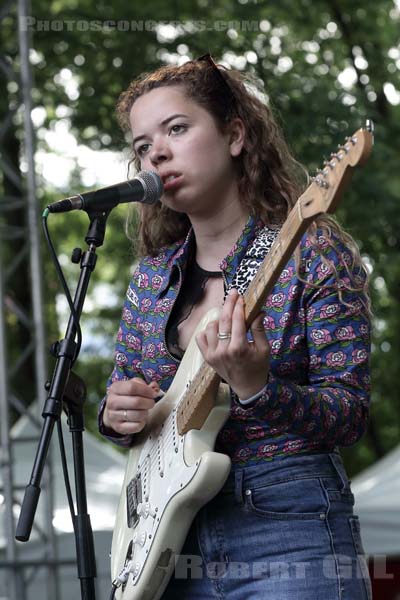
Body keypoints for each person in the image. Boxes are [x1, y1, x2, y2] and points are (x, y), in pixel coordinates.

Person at [98, 53, 372, 599]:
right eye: (143, 147)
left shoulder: (312, 254)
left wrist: (258, 389)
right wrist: (117, 415)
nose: (158, 153)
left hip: (287, 523)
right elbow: (129, 401)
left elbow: (349, 415)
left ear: (236, 136)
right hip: (169, 537)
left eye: (177, 128)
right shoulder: (152, 279)